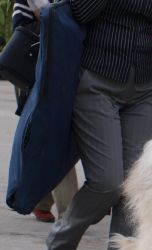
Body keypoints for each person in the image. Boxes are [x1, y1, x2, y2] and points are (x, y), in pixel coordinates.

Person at [44, 0, 152, 250]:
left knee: (136, 188)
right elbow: (81, 11)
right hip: (97, 81)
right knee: (108, 182)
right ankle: (61, 241)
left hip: (146, 86)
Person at [12, 0, 79, 223]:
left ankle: (41, 199)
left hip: (47, 57)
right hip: (40, 59)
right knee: (55, 132)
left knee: (45, 131)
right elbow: (48, 15)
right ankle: (67, 208)